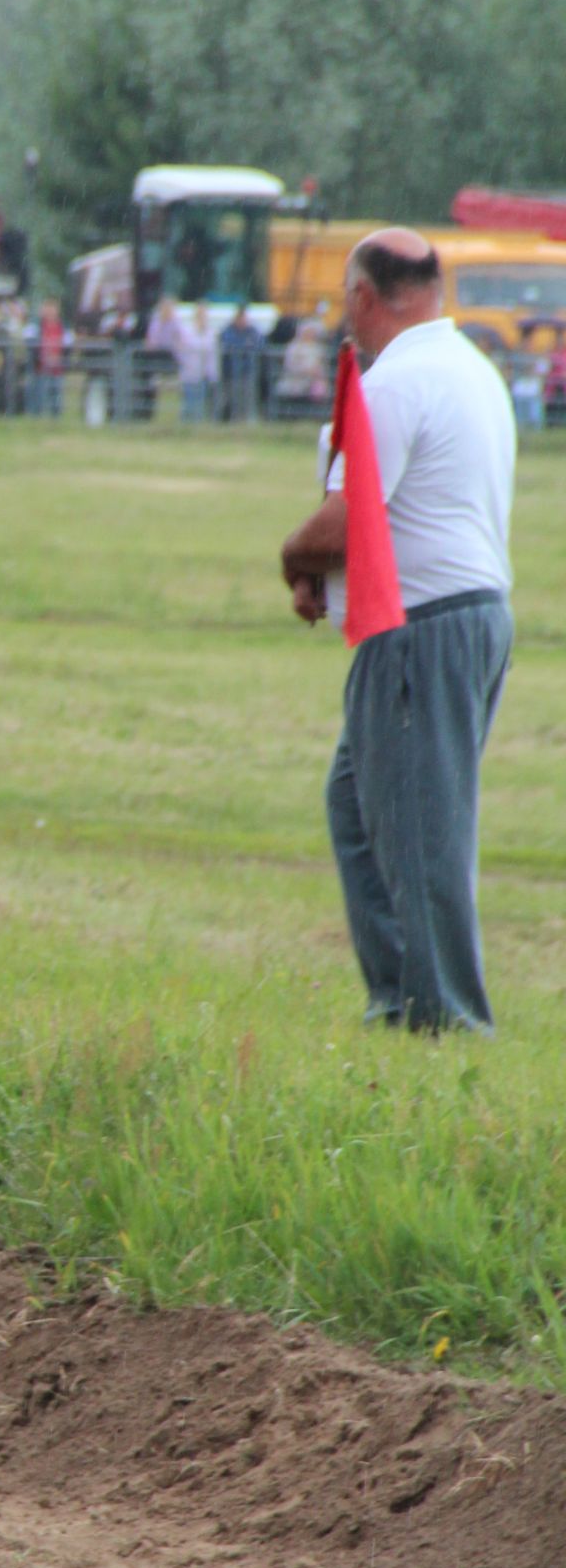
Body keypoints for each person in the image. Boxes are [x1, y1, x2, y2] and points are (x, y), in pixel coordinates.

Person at [279, 229, 515, 1035]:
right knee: (357, 806)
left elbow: (352, 520)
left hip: (420, 629)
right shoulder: (472, 372)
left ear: (363, 297)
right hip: (474, 614)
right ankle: (400, 999)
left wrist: (293, 557)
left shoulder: (393, 383)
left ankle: (445, 1021)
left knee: (420, 831)